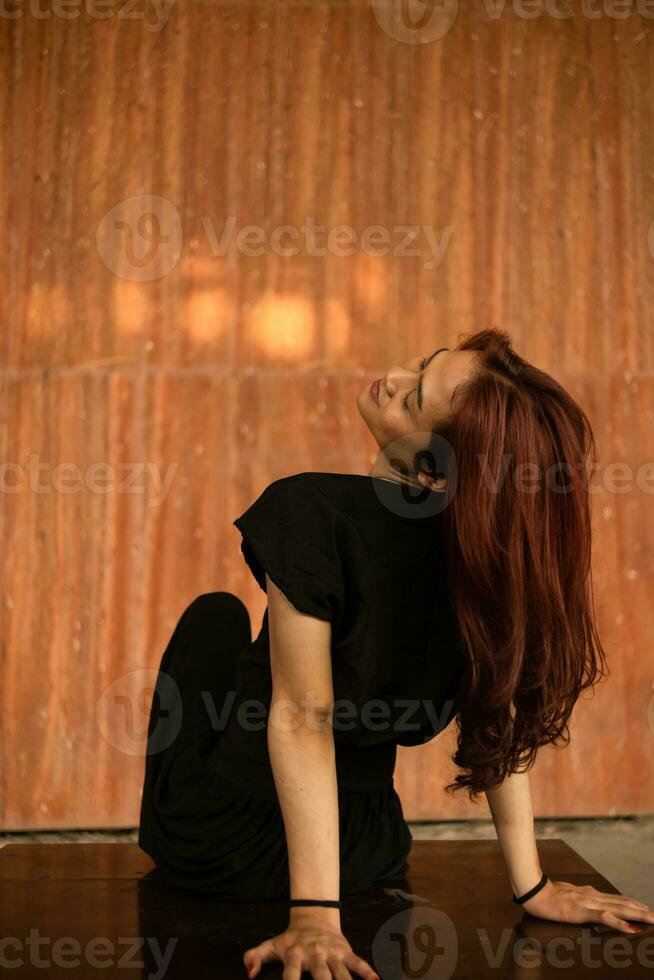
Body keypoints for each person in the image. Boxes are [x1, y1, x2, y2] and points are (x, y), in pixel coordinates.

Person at [138, 328, 654, 979]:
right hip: (367, 854)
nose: (393, 376)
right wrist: (533, 887)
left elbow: (302, 716)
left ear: (433, 466)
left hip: (219, 846)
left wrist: (315, 920)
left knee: (215, 617)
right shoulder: (486, 572)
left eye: (414, 401)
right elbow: (496, 719)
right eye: (422, 365)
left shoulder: (310, 511)